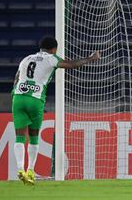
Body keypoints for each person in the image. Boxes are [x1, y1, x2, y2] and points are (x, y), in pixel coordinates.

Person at [12, 36, 100, 185]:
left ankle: (20, 169)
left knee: (19, 136)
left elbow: (16, 78)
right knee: (33, 136)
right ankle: (31, 171)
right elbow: (72, 65)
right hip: (35, 98)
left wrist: (16, 95)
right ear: (54, 49)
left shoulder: (26, 59)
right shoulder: (51, 58)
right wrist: (91, 58)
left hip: (18, 97)